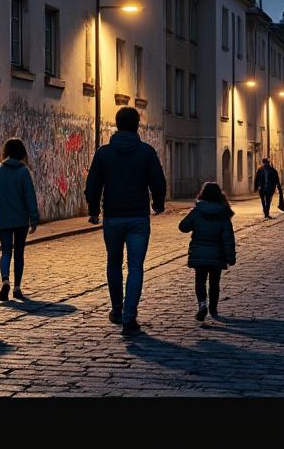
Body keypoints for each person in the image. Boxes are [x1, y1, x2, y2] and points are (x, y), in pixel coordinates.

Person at [85, 107, 166, 336]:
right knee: (135, 267)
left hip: (112, 217)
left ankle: (117, 310)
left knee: (113, 264)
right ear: (137, 125)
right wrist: (158, 204)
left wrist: (94, 210)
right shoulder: (146, 152)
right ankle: (129, 317)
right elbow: (158, 182)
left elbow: (93, 185)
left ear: (117, 124)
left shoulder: (104, 153)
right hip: (138, 217)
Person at [0, 138, 40, 301]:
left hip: (4, 220)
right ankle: (17, 287)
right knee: (19, 254)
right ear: (22, 153)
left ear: (5, 152)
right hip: (21, 221)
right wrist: (34, 219)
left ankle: (5, 279)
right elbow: (30, 197)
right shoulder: (24, 172)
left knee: (6, 252)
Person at [178, 182, 236, 322]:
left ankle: (202, 305)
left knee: (200, 282)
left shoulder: (197, 211)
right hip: (217, 255)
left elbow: (183, 227)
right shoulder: (223, 214)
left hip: (200, 253)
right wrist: (231, 257)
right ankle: (213, 309)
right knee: (214, 283)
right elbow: (228, 238)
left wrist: (194, 221)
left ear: (202, 194)